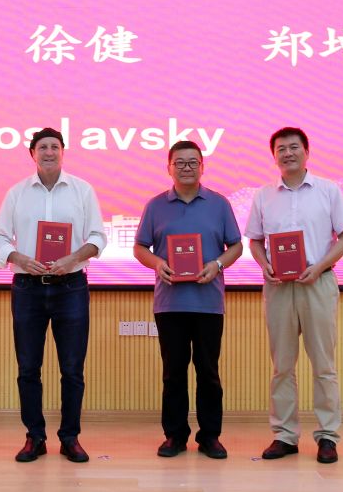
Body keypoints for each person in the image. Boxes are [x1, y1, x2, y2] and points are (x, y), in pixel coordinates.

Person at [0, 127, 106, 463]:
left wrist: (73, 258)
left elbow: (98, 236)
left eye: (55, 147)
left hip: (71, 287)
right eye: (43, 147)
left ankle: (70, 438)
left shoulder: (82, 190)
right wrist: (18, 257)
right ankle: (35, 437)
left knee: (72, 369)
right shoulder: (16, 193)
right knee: (28, 368)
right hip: (27, 288)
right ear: (33, 154)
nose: (49, 152)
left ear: (63, 151)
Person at [245, 127, 343, 464]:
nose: (287, 153)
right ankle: (284, 435)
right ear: (274, 155)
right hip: (278, 287)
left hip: (317, 283)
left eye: (294, 147)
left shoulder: (328, 190)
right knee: (282, 366)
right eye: (281, 149)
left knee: (323, 365)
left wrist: (319, 267)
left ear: (306, 152)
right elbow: (255, 241)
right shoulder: (264, 195)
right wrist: (264, 265)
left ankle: (327, 436)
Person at [133, 140, 242, 459]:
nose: (186, 168)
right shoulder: (155, 206)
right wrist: (157, 264)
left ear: (202, 167)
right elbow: (140, 248)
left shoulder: (219, 204)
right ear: (168, 168)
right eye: (179, 163)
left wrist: (217, 264)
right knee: (173, 373)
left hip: (209, 303)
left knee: (208, 372)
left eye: (193, 162)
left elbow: (236, 246)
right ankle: (175, 435)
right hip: (169, 304)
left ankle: (210, 436)